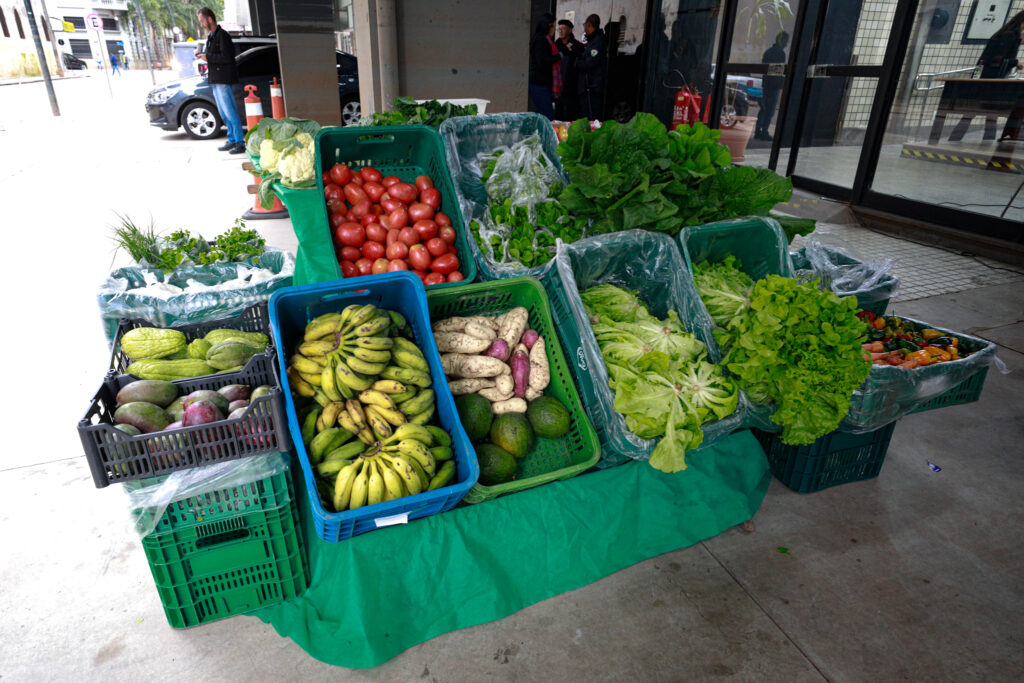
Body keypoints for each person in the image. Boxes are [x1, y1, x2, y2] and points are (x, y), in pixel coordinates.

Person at [949, 11, 1024, 142]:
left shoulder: (1004, 34)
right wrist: (1016, 62)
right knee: (988, 115)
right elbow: (997, 60)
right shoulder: (1010, 37)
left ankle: (957, 139)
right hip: (991, 82)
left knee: (978, 114)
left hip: (984, 80)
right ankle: (986, 141)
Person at [195, 7, 245, 153]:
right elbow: (214, 57)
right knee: (223, 113)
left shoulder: (222, 35)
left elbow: (228, 57)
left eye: (202, 21)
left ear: (210, 19)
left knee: (230, 112)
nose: (202, 24)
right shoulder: (211, 36)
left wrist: (208, 57)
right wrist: (202, 55)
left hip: (223, 80)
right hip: (215, 79)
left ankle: (239, 143)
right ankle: (232, 140)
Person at [755, 31, 788, 141]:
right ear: (782, 40)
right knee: (769, 110)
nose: (786, 44)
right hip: (774, 86)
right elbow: (779, 70)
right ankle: (764, 131)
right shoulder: (780, 53)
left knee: (764, 108)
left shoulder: (768, 51)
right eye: (786, 41)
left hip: (767, 85)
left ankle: (758, 131)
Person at [528, 13, 560, 120]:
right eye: (554, 26)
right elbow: (542, 61)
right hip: (538, 84)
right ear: (548, 26)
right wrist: (559, 56)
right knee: (547, 116)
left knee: (542, 116)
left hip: (541, 83)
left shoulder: (545, 39)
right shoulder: (541, 40)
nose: (554, 29)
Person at [576, 14, 607, 121]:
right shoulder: (592, 40)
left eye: (585, 25)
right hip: (587, 86)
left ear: (589, 25)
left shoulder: (598, 42)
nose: (584, 28)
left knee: (591, 118)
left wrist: (577, 62)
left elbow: (589, 63)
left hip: (592, 87)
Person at [555, 19, 582, 120]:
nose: (561, 31)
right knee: (558, 116)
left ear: (570, 30)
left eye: (563, 29)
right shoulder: (556, 45)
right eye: (559, 29)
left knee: (569, 116)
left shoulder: (577, 46)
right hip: (558, 87)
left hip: (571, 88)